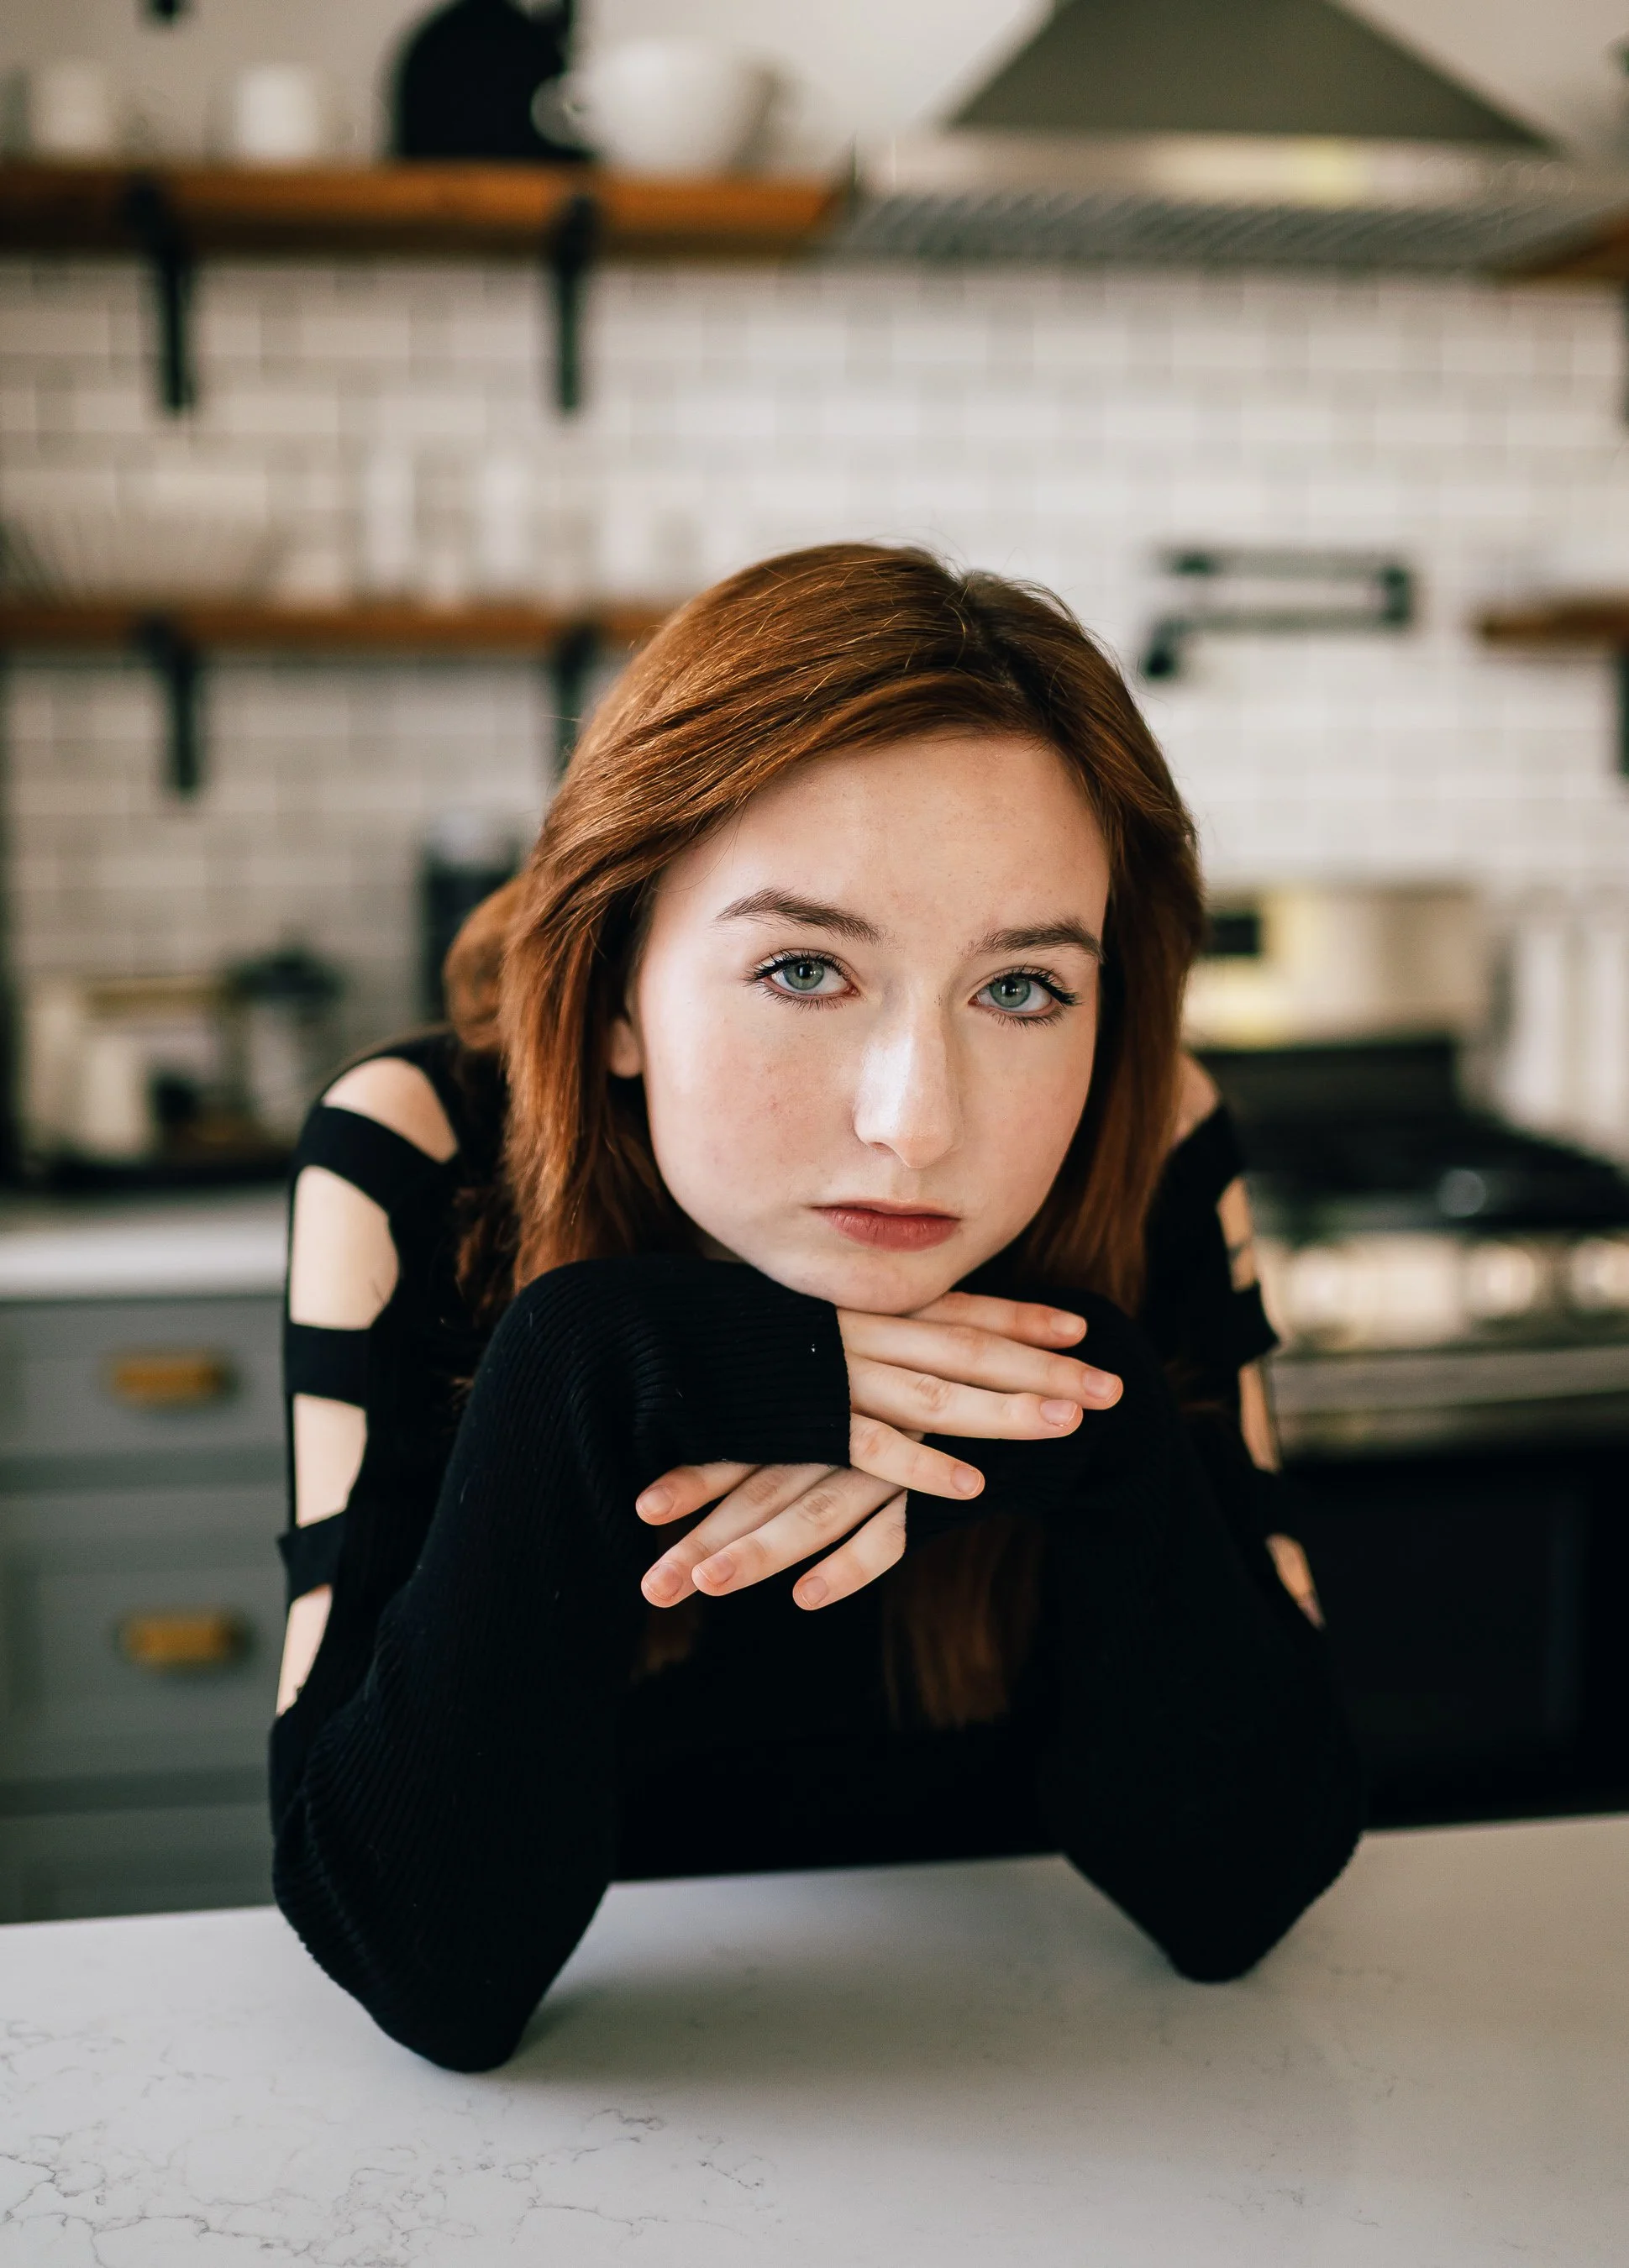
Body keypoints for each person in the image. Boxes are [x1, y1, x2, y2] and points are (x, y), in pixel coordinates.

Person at [270, 543, 1363, 2073]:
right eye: (802, 968)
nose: (915, 1125)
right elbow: (422, 1966)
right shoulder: (419, 1150)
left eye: (1023, 989)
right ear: (616, 992)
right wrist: (585, 1366)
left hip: (1041, 2089)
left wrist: (1082, 1420)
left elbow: (1239, 1895)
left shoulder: (1153, 1133)